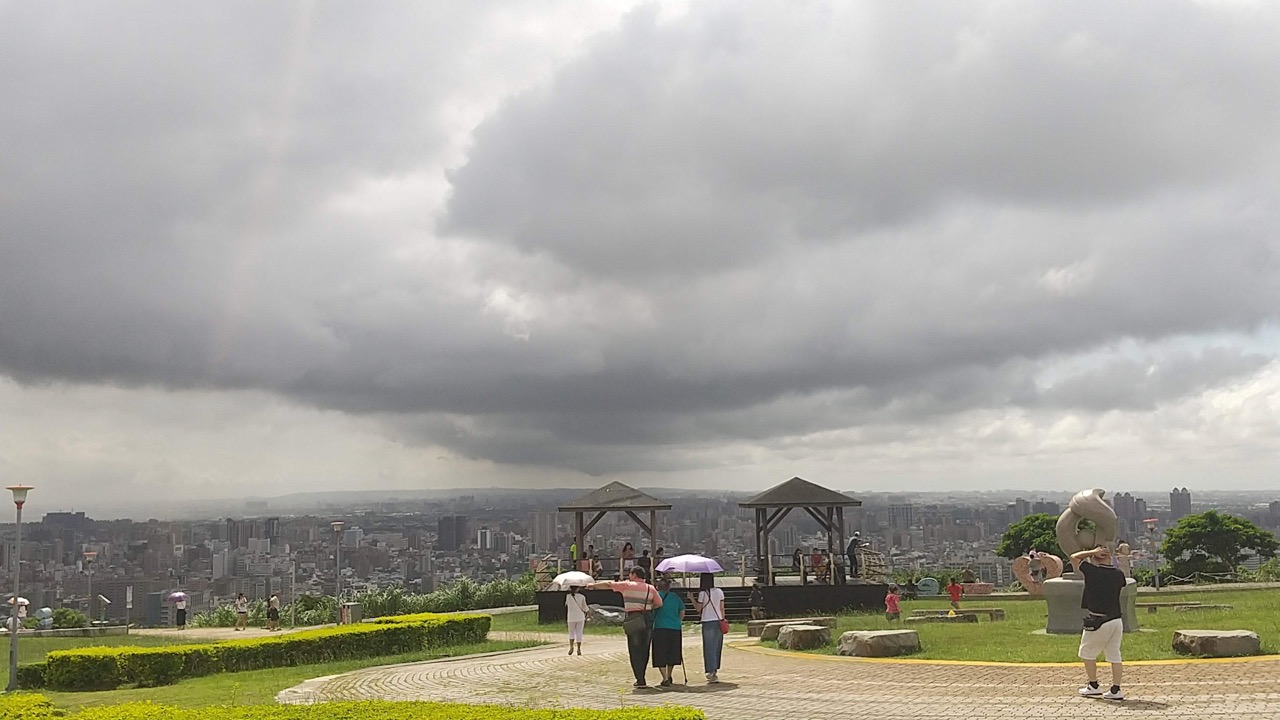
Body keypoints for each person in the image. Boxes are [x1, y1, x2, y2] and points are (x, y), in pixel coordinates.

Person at [588, 566, 662, 688]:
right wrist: (647, 608)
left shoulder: (628, 585)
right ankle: (642, 673)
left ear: (634, 575)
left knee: (634, 648)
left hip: (633, 618)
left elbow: (609, 584)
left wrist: (593, 586)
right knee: (645, 648)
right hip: (647, 618)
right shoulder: (650, 588)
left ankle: (640, 678)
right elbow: (659, 603)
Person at [1072, 545, 1127, 701]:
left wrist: (1092, 552)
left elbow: (1074, 557)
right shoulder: (1118, 574)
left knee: (1087, 652)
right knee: (1114, 655)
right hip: (1116, 620)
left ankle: (1093, 685)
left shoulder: (1092, 571)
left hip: (1098, 619)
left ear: (1095, 558)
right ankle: (1116, 689)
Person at [650, 577, 686, 686]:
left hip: (660, 627)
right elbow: (682, 610)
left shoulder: (655, 597)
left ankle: (665, 678)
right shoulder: (675, 597)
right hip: (675, 628)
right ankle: (669, 675)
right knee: (673, 652)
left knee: (660, 652)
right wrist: (678, 621)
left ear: (657, 587)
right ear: (668, 587)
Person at [692, 572, 726, 683]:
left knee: (709, 647)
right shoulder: (719, 591)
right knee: (717, 646)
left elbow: (698, 608)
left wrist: (691, 598)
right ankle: (715, 668)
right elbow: (722, 608)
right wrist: (722, 619)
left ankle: (710, 670)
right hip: (718, 620)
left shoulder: (703, 593)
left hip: (707, 621)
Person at [565, 585, 589, 656]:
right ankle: (578, 649)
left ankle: (571, 646)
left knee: (571, 633)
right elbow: (585, 607)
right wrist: (588, 613)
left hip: (571, 617)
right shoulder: (582, 597)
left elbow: (566, 604)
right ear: (578, 588)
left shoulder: (568, 596)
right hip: (580, 617)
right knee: (579, 632)